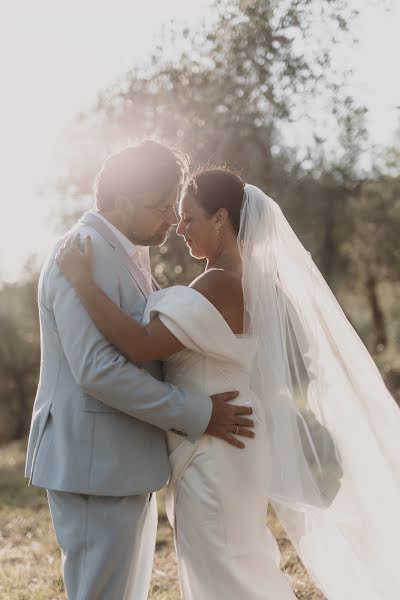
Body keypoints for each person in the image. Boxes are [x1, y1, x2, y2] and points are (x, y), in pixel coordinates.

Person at [57, 167, 400, 600]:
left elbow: (140, 345)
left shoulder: (220, 282)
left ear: (221, 218)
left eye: (188, 217)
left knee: (227, 572)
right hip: (226, 441)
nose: (179, 228)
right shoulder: (239, 280)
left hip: (216, 449)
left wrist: (82, 281)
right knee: (238, 564)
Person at [25, 143, 255, 600]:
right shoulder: (82, 251)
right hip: (93, 463)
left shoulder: (129, 250)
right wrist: (196, 412)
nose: (172, 218)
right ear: (123, 203)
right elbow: (97, 370)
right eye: (161, 206)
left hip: (125, 463)